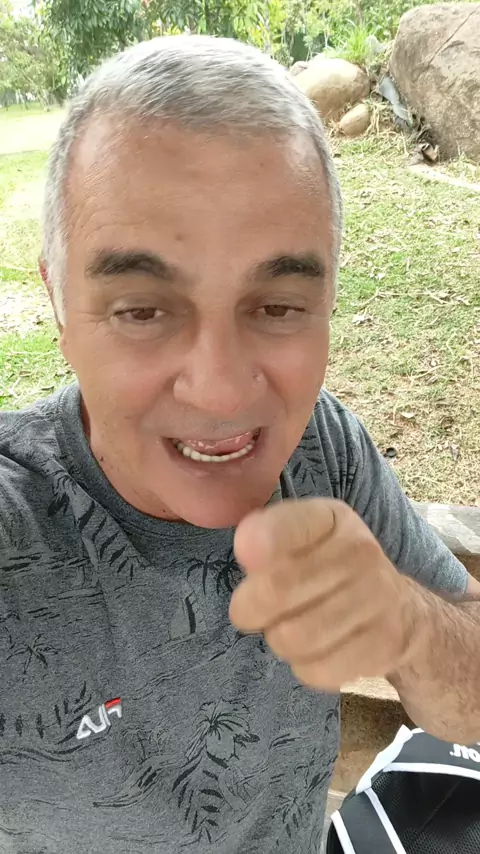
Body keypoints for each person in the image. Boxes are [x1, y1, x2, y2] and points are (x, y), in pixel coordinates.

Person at [0, 35, 479, 854]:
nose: (221, 393)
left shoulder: (322, 451)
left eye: (278, 306)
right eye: (142, 310)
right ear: (58, 305)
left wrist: (409, 625)